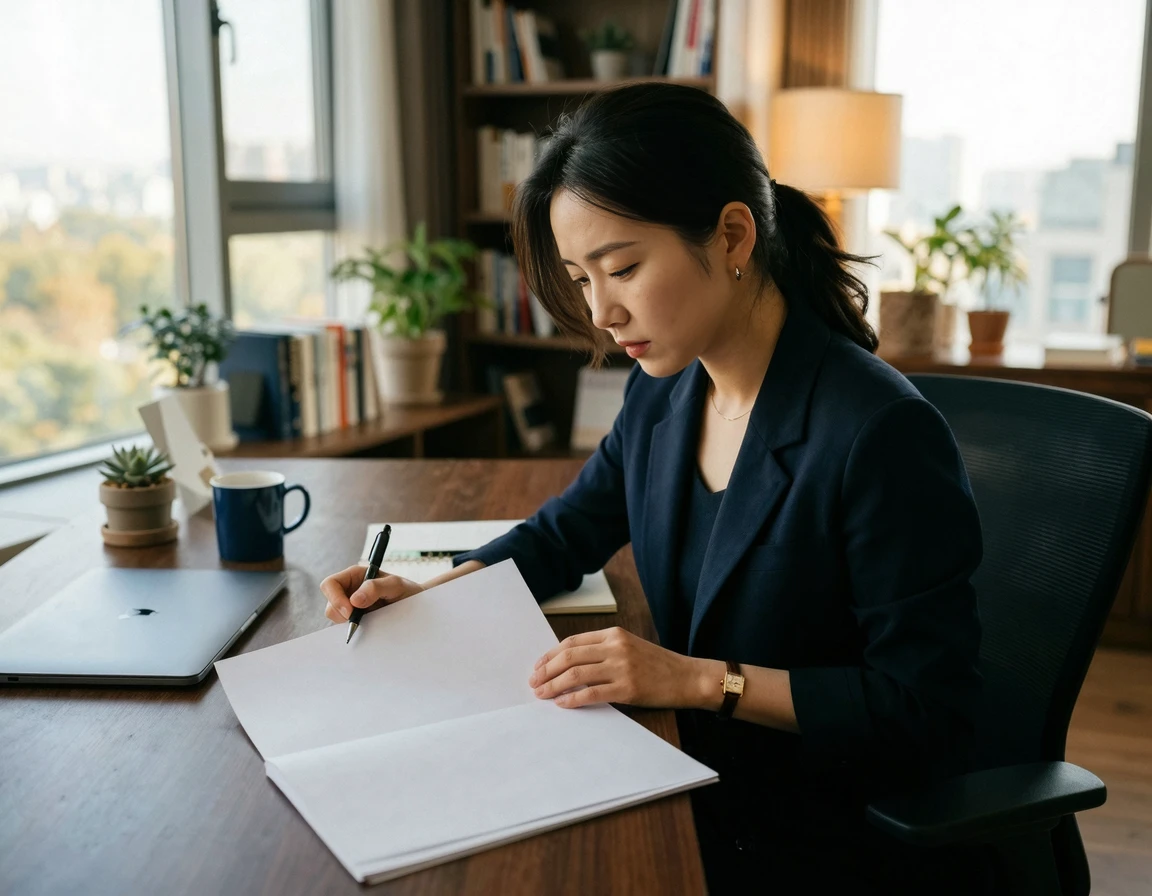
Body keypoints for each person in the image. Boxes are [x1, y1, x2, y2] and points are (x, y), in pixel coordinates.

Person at [320, 83, 998, 894]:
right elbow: (565, 532)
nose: (601, 311)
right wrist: (431, 597)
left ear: (733, 234)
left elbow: (925, 713)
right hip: (689, 767)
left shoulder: (878, 433)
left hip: (819, 827)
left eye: (624, 268)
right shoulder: (664, 387)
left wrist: (695, 678)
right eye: (579, 277)